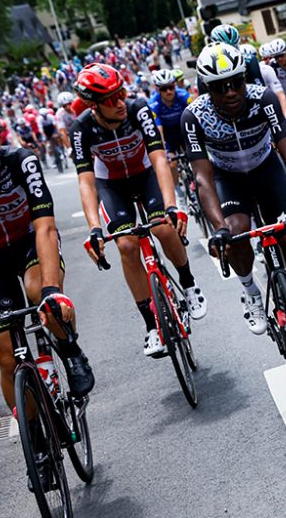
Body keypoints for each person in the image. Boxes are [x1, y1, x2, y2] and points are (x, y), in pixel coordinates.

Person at [181, 43, 286, 371]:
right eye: (219, 87)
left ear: (245, 78)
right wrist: (219, 229)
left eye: (235, 82)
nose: (230, 92)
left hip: (268, 171)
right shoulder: (194, 116)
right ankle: (251, 291)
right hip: (229, 179)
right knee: (237, 235)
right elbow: (202, 178)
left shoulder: (262, 98)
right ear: (206, 88)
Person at [0, 101, 95, 415]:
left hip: (30, 245)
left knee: (41, 295)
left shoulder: (22, 162)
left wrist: (53, 290)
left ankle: (70, 350)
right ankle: (36, 437)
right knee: (7, 358)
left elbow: (46, 227)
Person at [71, 64, 207, 356]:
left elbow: (159, 159)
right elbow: (86, 182)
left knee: (162, 226)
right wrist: (94, 228)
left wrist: (172, 206)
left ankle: (189, 282)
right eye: (110, 100)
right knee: (126, 245)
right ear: (94, 106)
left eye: (121, 93)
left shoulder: (138, 109)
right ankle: (151, 326)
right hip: (112, 186)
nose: (120, 102)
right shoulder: (81, 128)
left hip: (145, 175)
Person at [261, 39, 286, 115]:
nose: (279, 59)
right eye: (276, 57)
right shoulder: (273, 66)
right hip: (284, 99)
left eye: (281, 55)